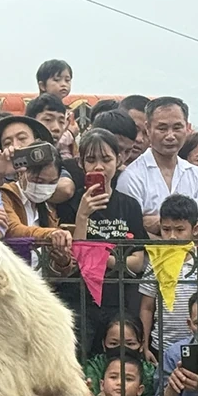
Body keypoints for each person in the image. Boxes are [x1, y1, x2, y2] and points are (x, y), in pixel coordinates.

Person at [70, 129, 147, 324]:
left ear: (119, 159)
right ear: (80, 163)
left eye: (106, 159)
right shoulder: (71, 201)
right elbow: (76, 258)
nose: (99, 167)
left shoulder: (129, 205)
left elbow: (137, 262)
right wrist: (82, 215)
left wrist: (101, 259)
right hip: (80, 297)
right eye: (91, 160)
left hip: (120, 297)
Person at [139, 195, 198, 361]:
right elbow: (147, 307)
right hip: (162, 346)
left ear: (195, 230)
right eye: (166, 229)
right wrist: (145, 344)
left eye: (179, 230)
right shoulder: (155, 263)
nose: (172, 236)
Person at [116, 97, 198, 238]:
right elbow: (128, 230)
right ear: (148, 129)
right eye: (162, 128)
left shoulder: (197, 175)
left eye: (177, 127)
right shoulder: (132, 176)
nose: (170, 136)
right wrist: (186, 225)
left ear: (187, 128)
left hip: (191, 259)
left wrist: (159, 222)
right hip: (146, 260)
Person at [83, 313, 156, 396]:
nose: (122, 350)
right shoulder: (92, 368)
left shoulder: (149, 372)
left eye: (130, 344)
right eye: (113, 344)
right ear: (103, 344)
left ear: (141, 345)